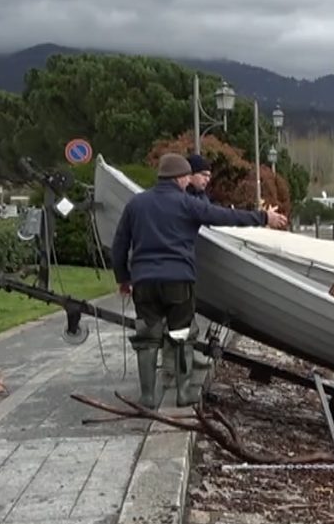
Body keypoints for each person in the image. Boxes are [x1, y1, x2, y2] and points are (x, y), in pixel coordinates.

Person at [112, 153, 289, 408]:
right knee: (182, 335)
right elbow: (225, 217)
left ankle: (148, 396)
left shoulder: (136, 204)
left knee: (147, 338)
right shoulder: (187, 204)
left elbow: (120, 245)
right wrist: (263, 218)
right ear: (181, 177)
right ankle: (183, 394)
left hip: (145, 282)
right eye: (186, 177)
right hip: (178, 280)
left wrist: (123, 278)